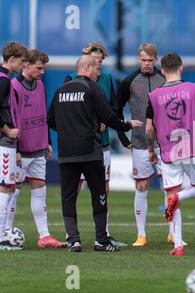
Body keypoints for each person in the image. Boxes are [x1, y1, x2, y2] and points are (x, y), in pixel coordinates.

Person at [47, 55, 142, 253]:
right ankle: (101, 241)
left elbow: (50, 120)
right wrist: (127, 125)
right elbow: (109, 117)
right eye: (97, 69)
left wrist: (67, 131)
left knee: (68, 197)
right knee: (99, 194)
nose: (99, 73)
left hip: (66, 152)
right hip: (90, 151)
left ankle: (74, 240)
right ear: (88, 68)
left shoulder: (60, 90)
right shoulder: (93, 88)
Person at [146, 52, 195, 256]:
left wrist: (151, 149)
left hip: (168, 151)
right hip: (192, 148)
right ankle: (181, 196)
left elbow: (149, 130)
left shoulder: (154, 95)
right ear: (181, 68)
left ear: (162, 71)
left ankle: (178, 245)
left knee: (170, 194)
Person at [64, 42, 127, 247]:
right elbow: (66, 112)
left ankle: (104, 233)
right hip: (80, 145)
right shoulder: (71, 80)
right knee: (75, 188)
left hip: (102, 144)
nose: (97, 62)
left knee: (102, 189)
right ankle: (71, 234)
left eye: (100, 60)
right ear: (86, 60)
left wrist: (106, 123)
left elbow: (112, 109)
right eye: (94, 59)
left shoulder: (107, 79)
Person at [5, 49, 66, 248]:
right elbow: (12, 118)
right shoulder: (13, 86)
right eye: (39, 68)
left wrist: (47, 140)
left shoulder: (40, 84)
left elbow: (43, 113)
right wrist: (17, 150)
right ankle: (6, 232)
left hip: (39, 147)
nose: (42, 71)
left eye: (44, 68)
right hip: (20, 150)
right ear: (26, 65)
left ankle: (44, 236)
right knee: (12, 191)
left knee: (39, 189)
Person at [116, 43, 165, 247]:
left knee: (170, 188)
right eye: (143, 60)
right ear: (138, 59)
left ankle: (173, 232)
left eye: (150, 60)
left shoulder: (165, 79)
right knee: (141, 186)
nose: (146, 63)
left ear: (156, 59)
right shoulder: (128, 81)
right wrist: (123, 138)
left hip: (165, 145)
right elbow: (115, 111)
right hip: (140, 144)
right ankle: (141, 234)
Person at [0, 41, 28, 250]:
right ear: (11, 60)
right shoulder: (4, 81)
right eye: (21, 62)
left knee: (7, 186)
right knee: (4, 186)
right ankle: (1, 236)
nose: (22, 67)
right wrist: (8, 130)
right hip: (4, 141)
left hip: (7, 143)